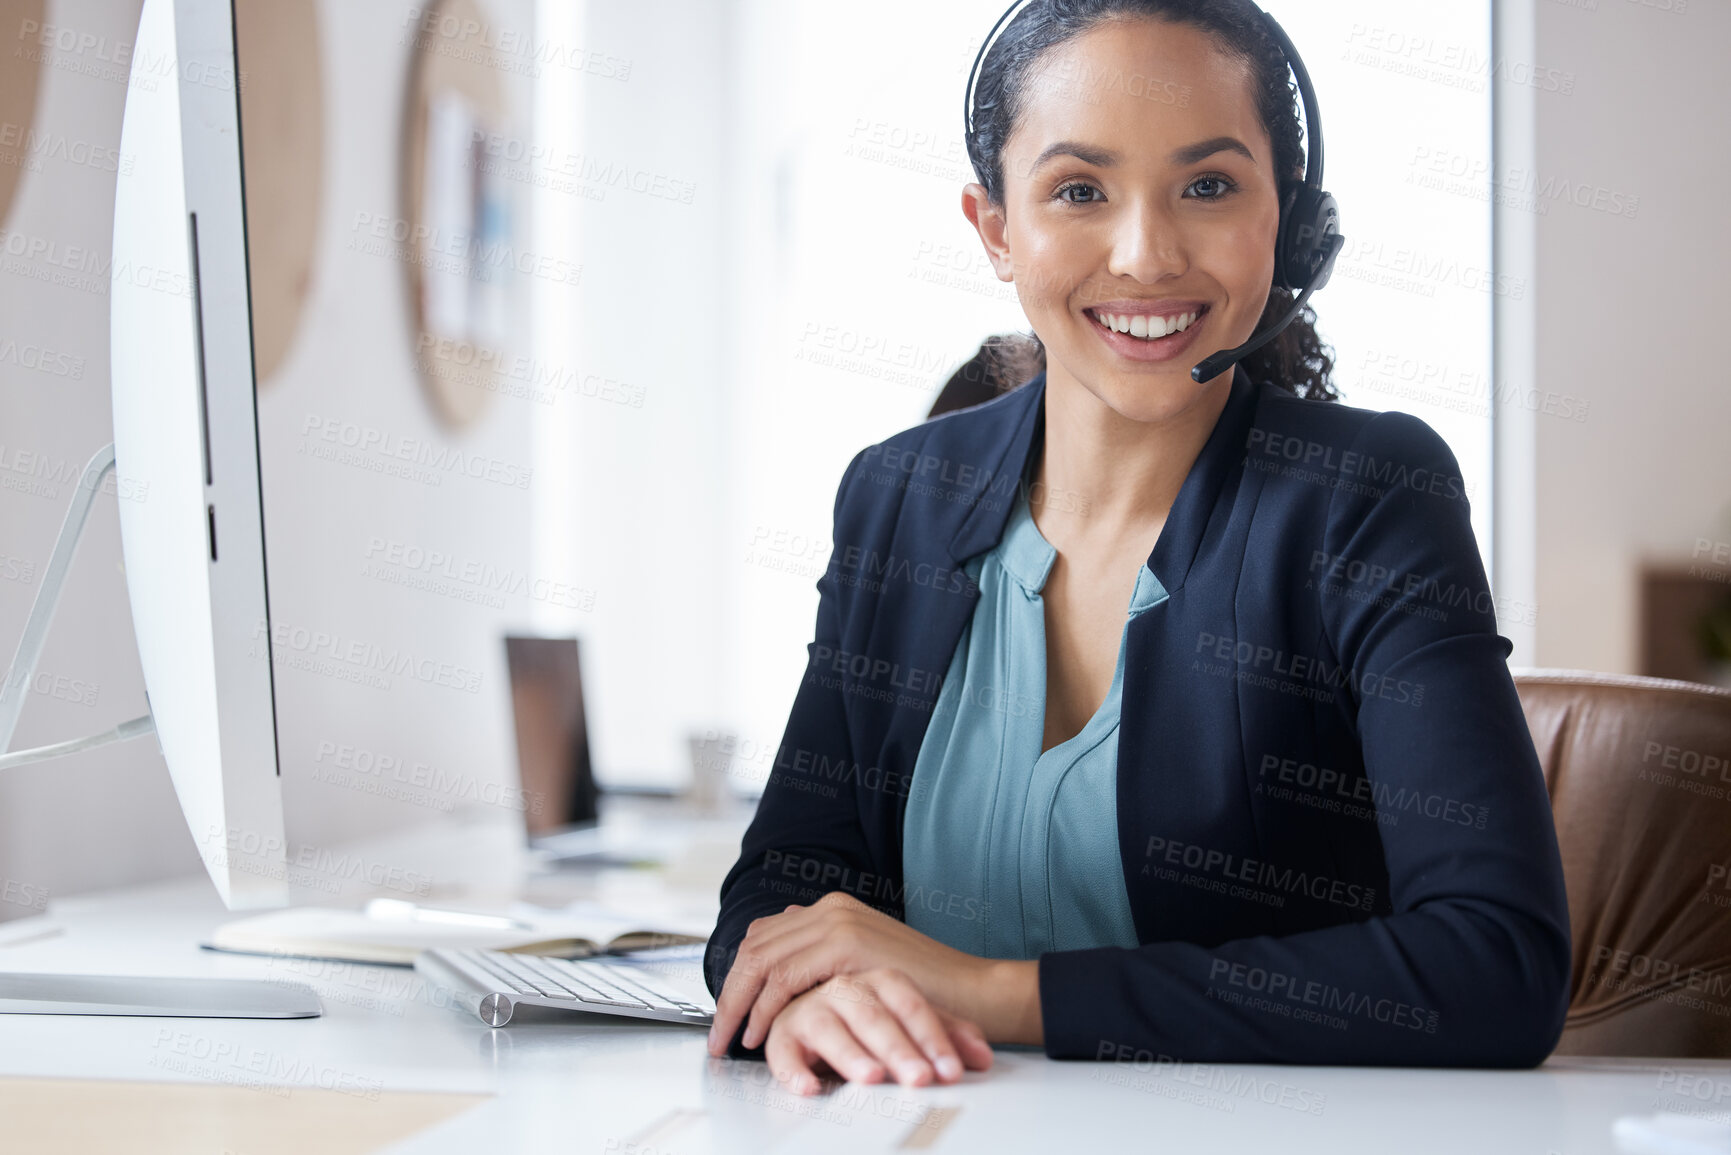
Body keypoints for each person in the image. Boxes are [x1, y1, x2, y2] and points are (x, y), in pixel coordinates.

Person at [703, 0, 1571, 1096]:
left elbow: (1497, 966)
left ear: (1287, 225)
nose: (1146, 254)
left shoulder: (1370, 499)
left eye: (1208, 186)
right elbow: (779, 893)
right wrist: (818, 987)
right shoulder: (900, 496)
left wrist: (994, 991)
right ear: (995, 229)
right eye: (1079, 190)